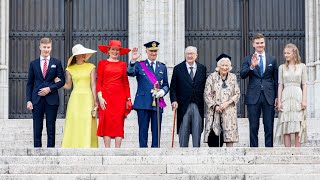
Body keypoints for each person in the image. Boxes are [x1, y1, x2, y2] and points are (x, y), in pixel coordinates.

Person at [127, 41, 169, 148]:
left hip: (157, 103)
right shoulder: (139, 65)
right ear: (146, 51)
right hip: (143, 103)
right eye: (151, 51)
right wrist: (132, 60)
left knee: (156, 131)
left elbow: (166, 84)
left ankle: (155, 152)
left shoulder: (162, 67)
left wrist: (162, 91)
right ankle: (143, 151)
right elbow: (130, 72)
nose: (153, 53)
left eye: (155, 51)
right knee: (143, 130)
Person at [56, 44, 98, 148]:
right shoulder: (69, 69)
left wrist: (95, 101)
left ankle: (87, 145)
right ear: (76, 56)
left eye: (84, 53)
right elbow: (68, 86)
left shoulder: (91, 67)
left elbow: (93, 84)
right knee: (74, 121)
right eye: (80, 53)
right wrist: (58, 83)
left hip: (87, 97)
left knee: (86, 121)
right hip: (75, 98)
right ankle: (72, 145)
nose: (84, 55)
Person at [240, 33, 278, 147]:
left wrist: (277, 97)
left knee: (268, 125)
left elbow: (275, 79)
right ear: (253, 44)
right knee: (253, 126)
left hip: (269, 96)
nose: (260, 45)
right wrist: (251, 66)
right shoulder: (248, 59)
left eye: (261, 43)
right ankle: (253, 151)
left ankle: (269, 151)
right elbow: (242, 75)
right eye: (257, 43)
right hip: (253, 96)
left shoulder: (272, 59)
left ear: (264, 44)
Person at [26, 37, 65, 148]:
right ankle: (37, 150)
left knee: (51, 126)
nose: (46, 49)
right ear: (40, 47)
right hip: (36, 100)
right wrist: (29, 100)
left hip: (51, 99)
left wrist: (50, 88)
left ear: (51, 48)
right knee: (37, 127)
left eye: (48, 47)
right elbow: (29, 84)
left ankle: (51, 151)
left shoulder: (56, 63)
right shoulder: (33, 64)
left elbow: (62, 81)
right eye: (44, 47)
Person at [96, 40, 132, 148]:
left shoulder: (123, 64)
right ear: (108, 50)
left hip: (120, 98)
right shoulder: (102, 63)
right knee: (106, 122)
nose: (115, 52)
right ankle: (107, 150)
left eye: (117, 50)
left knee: (118, 123)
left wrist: (128, 99)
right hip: (106, 97)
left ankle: (118, 150)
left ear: (120, 52)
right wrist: (100, 97)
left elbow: (126, 83)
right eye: (113, 49)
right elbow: (99, 82)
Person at [170, 46, 207, 147]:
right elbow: (173, 87)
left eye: (192, 53)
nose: (190, 55)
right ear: (185, 55)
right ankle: (182, 155)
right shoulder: (178, 68)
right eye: (188, 53)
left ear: (196, 55)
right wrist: (174, 100)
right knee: (183, 132)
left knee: (197, 132)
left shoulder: (202, 68)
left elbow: (205, 86)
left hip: (198, 104)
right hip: (182, 105)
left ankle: (197, 155)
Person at [204, 53, 240, 147]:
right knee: (214, 138)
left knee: (229, 137)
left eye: (227, 65)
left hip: (229, 111)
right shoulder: (211, 77)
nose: (225, 67)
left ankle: (229, 159)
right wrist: (215, 106)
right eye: (222, 65)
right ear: (218, 66)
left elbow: (237, 93)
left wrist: (227, 103)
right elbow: (207, 94)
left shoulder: (233, 77)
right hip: (214, 111)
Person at [275, 43, 307, 147]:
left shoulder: (302, 67)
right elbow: (280, 85)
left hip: (298, 95)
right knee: (285, 124)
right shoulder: (282, 67)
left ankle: (298, 152)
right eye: (284, 53)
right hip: (286, 96)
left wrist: (304, 100)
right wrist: (279, 101)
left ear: (294, 53)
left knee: (298, 123)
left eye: (288, 53)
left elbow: (304, 84)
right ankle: (287, 151)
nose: (285, 55)